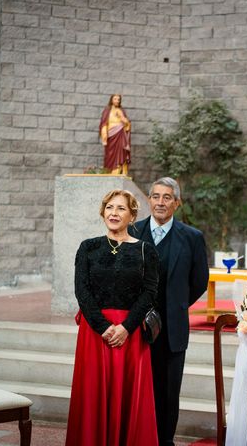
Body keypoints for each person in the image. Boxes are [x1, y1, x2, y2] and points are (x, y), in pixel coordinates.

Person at [66, 189, 159, 446]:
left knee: (129, 397)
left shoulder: (145, 250)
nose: (114, 213)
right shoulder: (88, 247)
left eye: (121, 208)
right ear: (102, 212)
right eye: (109, 207)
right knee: (93, 396)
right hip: (95, 334)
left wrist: (126, 328)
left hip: (130, 335)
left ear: (131, 216)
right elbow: (81, 291)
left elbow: (150, 292)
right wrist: (104, 327)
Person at [129, 177, 209, 446]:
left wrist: (176, 304)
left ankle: (164, 441)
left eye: (166, 197)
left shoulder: (192, 238)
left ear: (177, 202)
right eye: (155, 196)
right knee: (137, 389)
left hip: (172, 328)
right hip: (135, 327)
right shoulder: (133, 232)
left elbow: (199, 280)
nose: (160, 202)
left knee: (167, 392)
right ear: (148, 200)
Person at [100, 94, 131, 174]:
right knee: (110, 154)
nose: (117, 101)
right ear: (111, 100)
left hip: (120, 134)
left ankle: (119, 170)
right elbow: (104, 123)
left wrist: (122, 118)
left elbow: (127, 124)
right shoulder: (107, 110)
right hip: (110, 135)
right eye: (115, 99)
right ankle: (109, 171)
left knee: (121, 152)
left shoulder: (121, 111)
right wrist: (104, 135)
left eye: (118, 99)